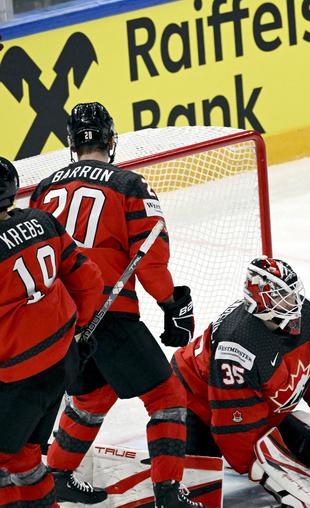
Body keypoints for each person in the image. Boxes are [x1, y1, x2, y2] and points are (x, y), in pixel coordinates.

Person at [29, 102, 201, 508]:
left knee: (92, 396)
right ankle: (168, 495)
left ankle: (57, 475)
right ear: (110, 139)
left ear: (72, 142)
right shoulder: (130, 184)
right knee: (168, 397)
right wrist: (171, 303)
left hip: (61, 319)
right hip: (111, 313)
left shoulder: (43, 189)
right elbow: (151, 259)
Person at [172, 256, 310, 508]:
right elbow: (233, 424)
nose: (294, 302)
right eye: (282, 296)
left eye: (293, 293)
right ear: (261, 300)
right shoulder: (237, 345)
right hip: (193, 403)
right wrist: (264, 473)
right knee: (199, 489)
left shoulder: (309, 317)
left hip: (257, 406)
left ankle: (286, 433)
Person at [0, 156, 103, 508]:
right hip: (62, 361)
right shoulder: (44, 221)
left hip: (19, 379)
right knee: (26, 458)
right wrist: (81, 331)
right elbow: (90, 281)